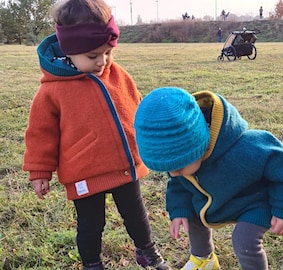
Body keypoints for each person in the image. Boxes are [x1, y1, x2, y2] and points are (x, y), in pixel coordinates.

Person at [22, 1, 172, 269]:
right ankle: (92, 263)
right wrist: (39, 171)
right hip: (84, 171)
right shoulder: (51, 91)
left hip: (125, 165)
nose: (102, 62)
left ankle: (147, 251)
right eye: (93, 56)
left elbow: (135, 104)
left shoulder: (117, 74)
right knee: (91, 225)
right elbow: (40, 134)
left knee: (136, 215)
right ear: (70, 50)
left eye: (107, 53)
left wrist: (156, 125)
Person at [134, 87, 283, 270]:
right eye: (168, 170)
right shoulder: (182, 165)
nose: (173, 174)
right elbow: (178, 185)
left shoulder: (246, 148)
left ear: (198, 145)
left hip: (254, 202)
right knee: (191, 215)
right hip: (215, 203)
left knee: (244, 240)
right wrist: (178, 211)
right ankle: (204, 259)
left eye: (178, 167)